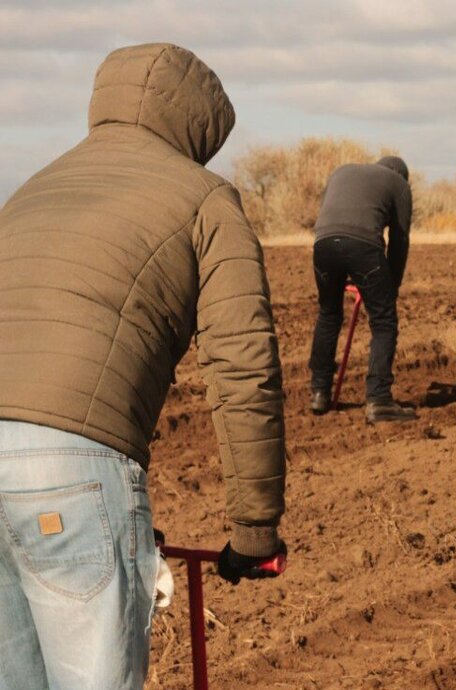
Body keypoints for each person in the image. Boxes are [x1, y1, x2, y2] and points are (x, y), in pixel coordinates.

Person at [0, 43, 287, 689]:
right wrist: (255, 527)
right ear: (199, 126)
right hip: (68, 469)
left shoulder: (33, 189)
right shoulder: (204, 196)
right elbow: (243, 367)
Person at [308, 156, 415, 423]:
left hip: (323, 245)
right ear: (401, 175)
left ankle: (319, 392)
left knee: (329, 314)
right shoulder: (399, 185)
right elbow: (399, 240)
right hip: (365, 247)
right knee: (383, 321)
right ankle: (379, 400)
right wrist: (392, 285)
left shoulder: (342, 170)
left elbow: (328, 213)